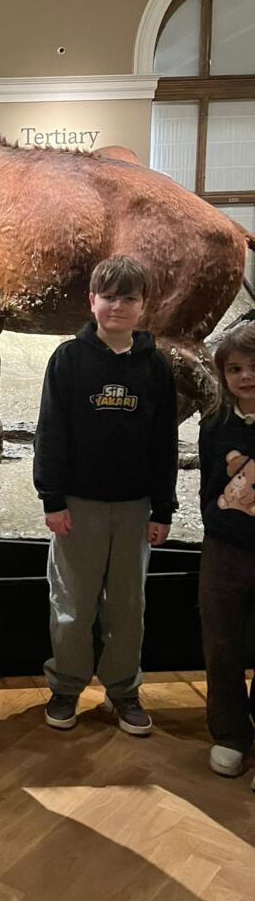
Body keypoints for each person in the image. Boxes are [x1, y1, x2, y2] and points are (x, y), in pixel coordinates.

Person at [33, 255, 178, 736]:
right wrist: (52, 499)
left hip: (135, 508)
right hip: (78, 506)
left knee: (128, 607)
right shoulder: (68, 360)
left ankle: (123, 690)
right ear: (92, 300)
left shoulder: (155, 366)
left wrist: (163, 507)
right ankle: (66, 686)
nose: (118, 306)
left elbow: (164, 442)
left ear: (143, 305)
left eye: (129, 298)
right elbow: (50, 432)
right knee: (72, 604)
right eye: (109, 297)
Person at [197, 321, 255, 788]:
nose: (245, 376)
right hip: (224, 548)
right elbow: (209, 485)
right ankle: (230, 733)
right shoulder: (214, 424)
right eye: (235, 368)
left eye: (254, 367)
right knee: (222, 642)